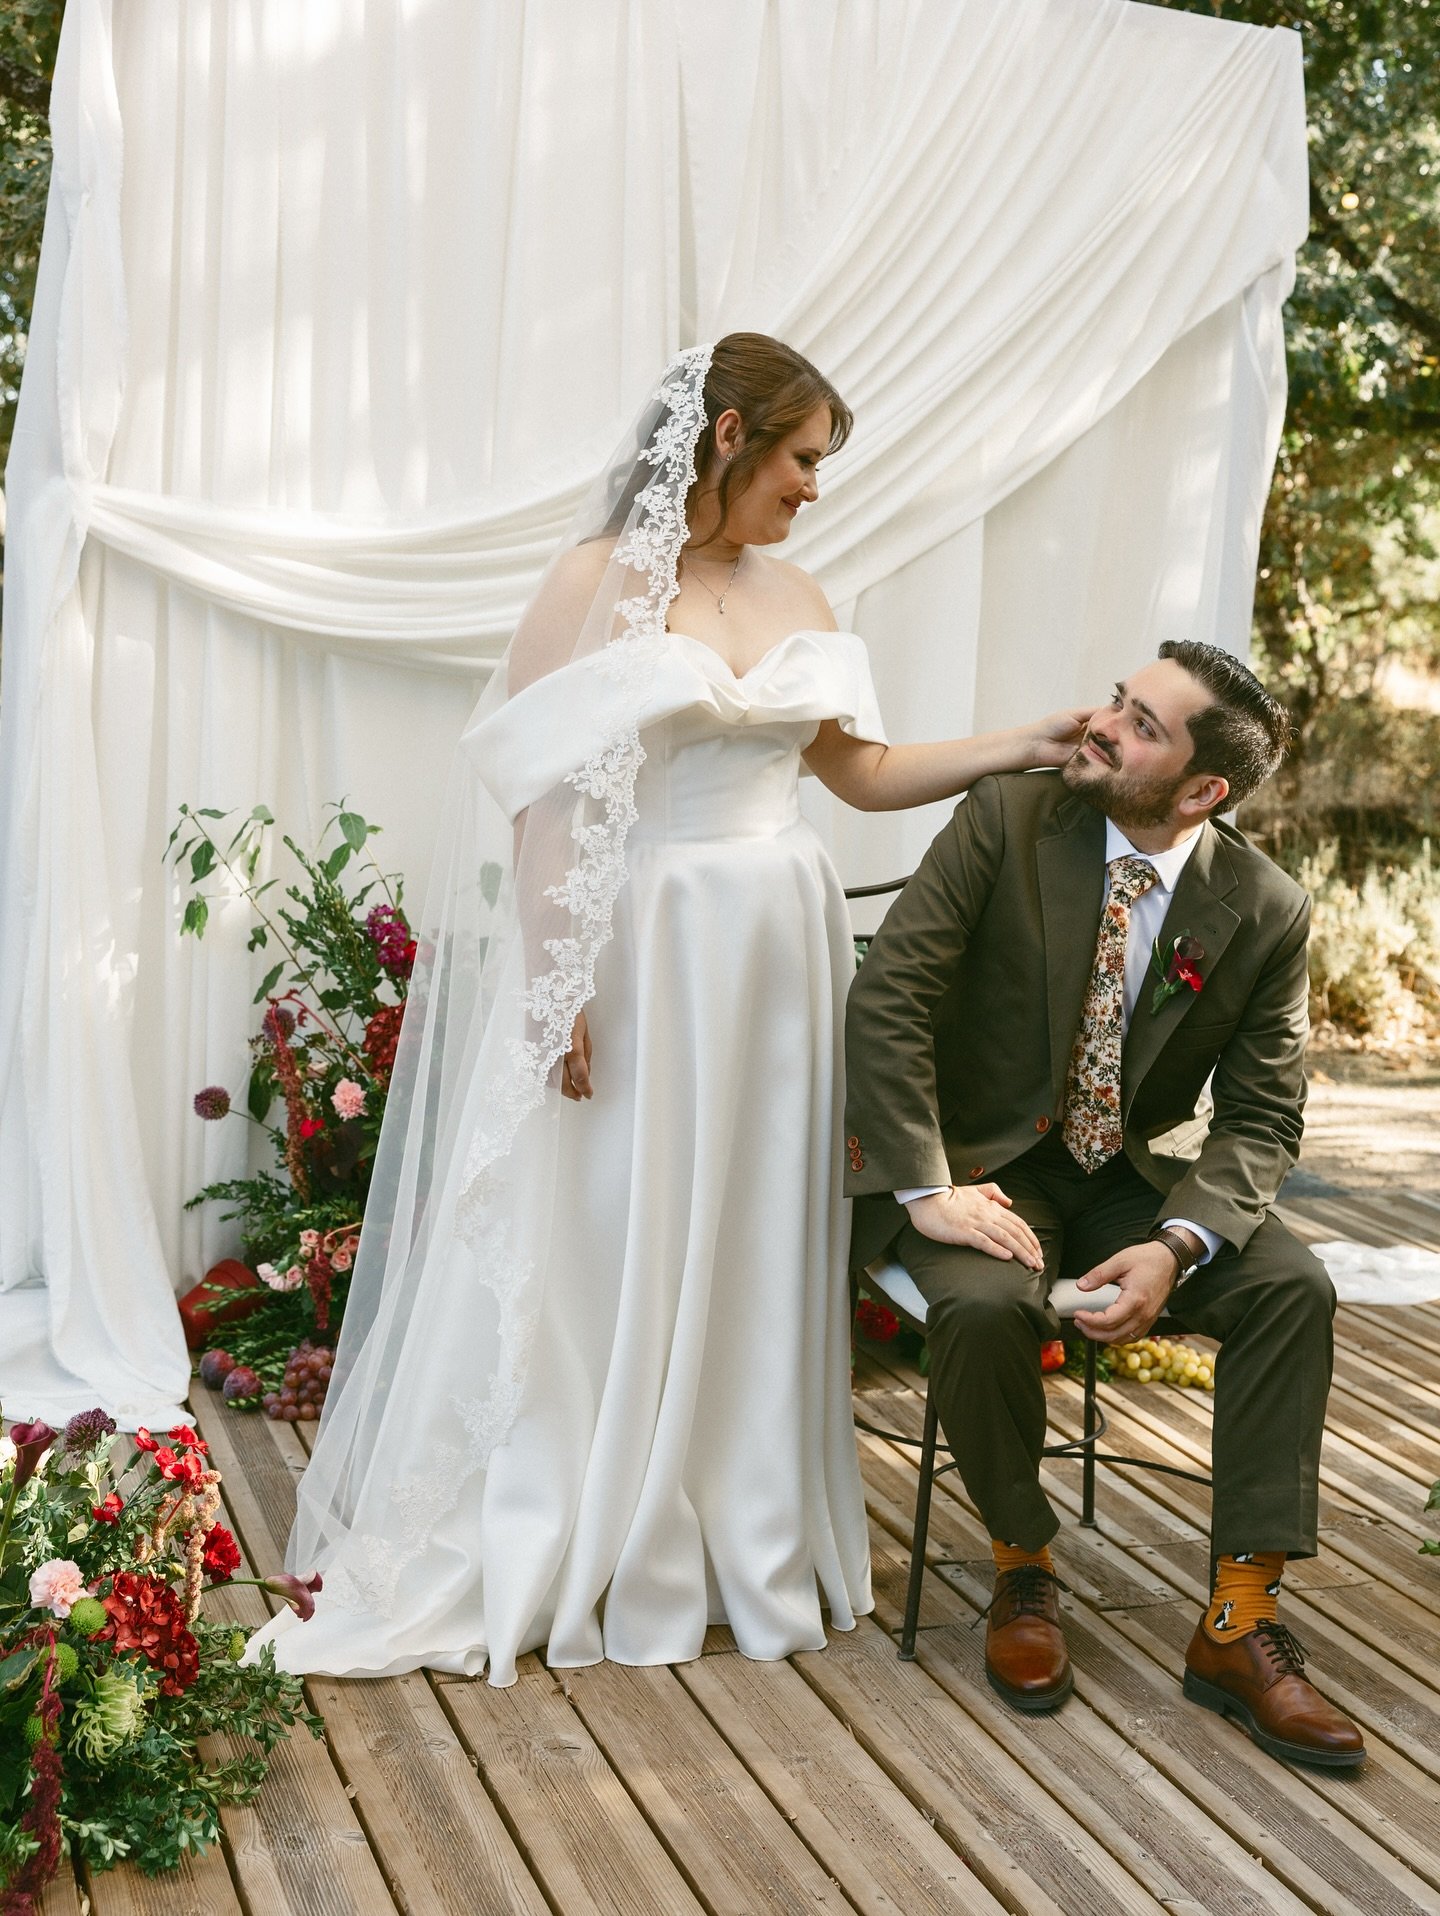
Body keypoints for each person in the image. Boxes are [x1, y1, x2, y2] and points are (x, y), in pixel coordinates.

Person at [248, 334, 1086, 1686]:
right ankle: (605, 1508)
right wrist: (558, 977)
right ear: (729, 434)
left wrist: (1023, 743)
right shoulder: (594, 582)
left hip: (779, 947)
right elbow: (538, 791)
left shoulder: (800, 588)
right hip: (646, 940)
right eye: (802, 457)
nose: (812, 487)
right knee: (623, 1219)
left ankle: (741, 1509)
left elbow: (860, 772)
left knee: (757, 1223)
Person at [844, 641, 1366, 1769]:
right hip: (977, 1165)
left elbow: (1263, 1117)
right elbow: (889, 999)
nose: (1104, 724)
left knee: (1292, 1286)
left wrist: (1177, 1243)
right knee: (985, 1306)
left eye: (1141, 725)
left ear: (1202, 790)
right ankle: (1021, 1563)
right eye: (1122, 701)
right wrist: (928, 1186)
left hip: (1127, 1176)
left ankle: (1238, 1619)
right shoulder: (1006, 819)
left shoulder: (1265, 907)